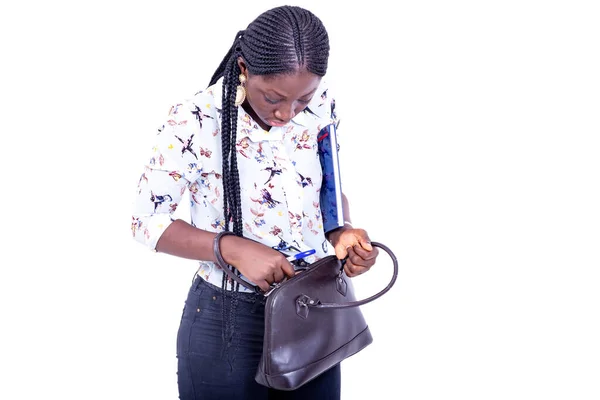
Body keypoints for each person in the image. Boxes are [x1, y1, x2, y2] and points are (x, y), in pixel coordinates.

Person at [131, 5, 379, 399]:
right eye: (273, 97)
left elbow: (327, 189)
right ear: (244, 68)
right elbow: (145, 221)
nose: (287, 112)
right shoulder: (195, 119)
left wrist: (342, 232)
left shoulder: (320, 108)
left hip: (312, 310)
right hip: (226, 321)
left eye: (302, 99)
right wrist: (230, 248)